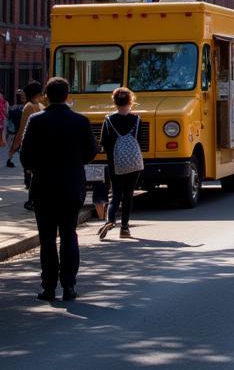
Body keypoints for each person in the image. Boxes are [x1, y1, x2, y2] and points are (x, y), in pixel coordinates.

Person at [18, 77, 96, 301]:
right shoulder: (80, 121)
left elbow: (26, 157)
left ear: (46, 95)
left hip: (44, 186)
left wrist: (37, 168)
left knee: (48, 238)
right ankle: (69, 286)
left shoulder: (36, 120)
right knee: (69, 234)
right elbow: (91, 152)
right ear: (68, 95)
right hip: (71, 185)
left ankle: (49, 286)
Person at [97, 88, 142, 239]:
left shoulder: (109, 120)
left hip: (115, 164)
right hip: (133, 163)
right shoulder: (136, 120)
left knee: (115, 194)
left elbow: (103, 143)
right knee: (128, 195)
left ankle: (110, 220)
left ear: (114, 101)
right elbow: (139, 140)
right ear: (130, 101)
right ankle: (125, 228)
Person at [11, 80, 45, 210]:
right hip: (41, 146)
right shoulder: (41, 105)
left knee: (30, 176)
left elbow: (22, 129)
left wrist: (14, 146)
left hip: (31, 146)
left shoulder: (28, 107)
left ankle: (32, 200)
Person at [6, 89, 24, 167]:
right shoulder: (23, 107)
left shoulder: (13, 107)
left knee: (14, 147)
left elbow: (9, 117)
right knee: (20, 147)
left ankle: (9, 160)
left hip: (13, 131)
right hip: (19, 130)